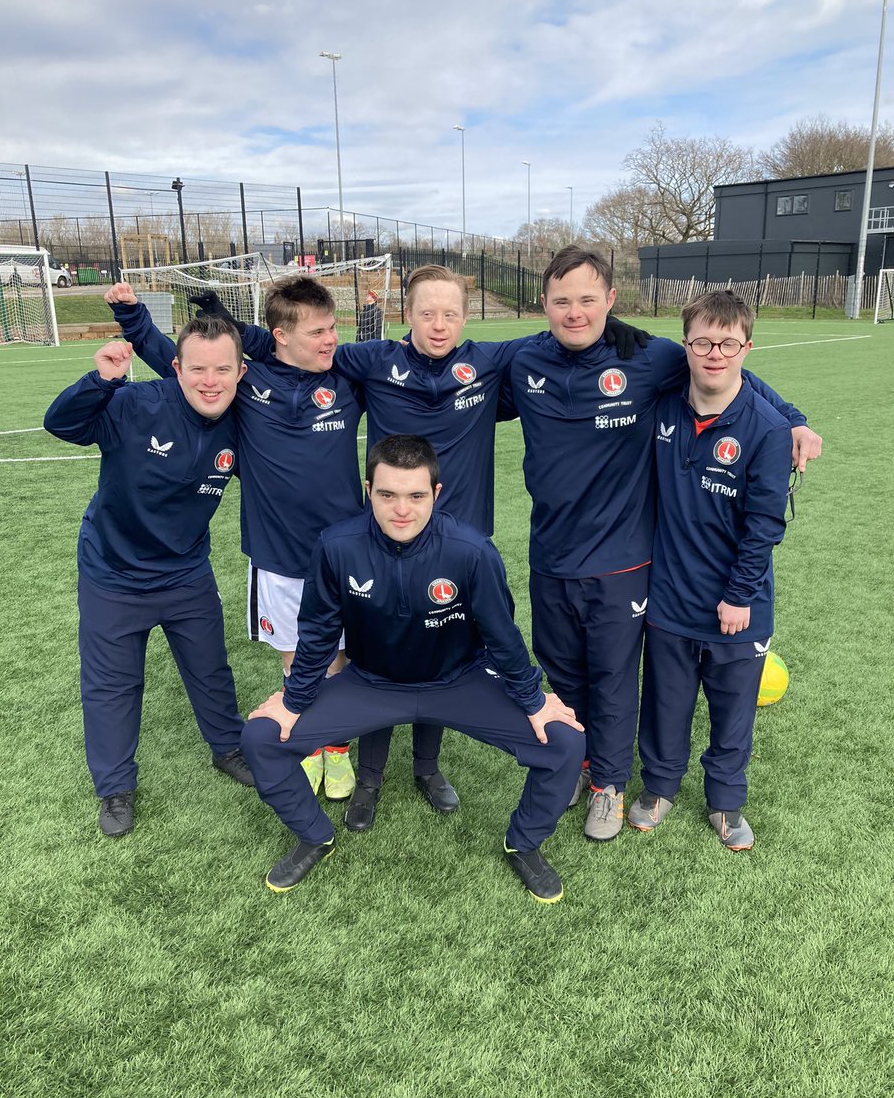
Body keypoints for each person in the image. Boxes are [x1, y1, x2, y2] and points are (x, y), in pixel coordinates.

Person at [233, 264, 647, 831]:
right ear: (407, 315)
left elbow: (569, 329)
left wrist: (611, 321)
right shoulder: (370, 359)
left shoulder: (492, 360)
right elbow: (295, 341)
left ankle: (427, 768)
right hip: (386, 536)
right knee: (379, 657)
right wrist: (245, 330)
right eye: (426, 313)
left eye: (450, 313)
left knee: (444, 656)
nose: (439, 324)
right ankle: (371, 779)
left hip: (461, 549)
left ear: (465, 316)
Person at [503, 246, 822, 842]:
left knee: (618, 681)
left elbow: (730, 370)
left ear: (610, 301)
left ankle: (613, 786)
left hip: (624, 561)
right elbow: (447, 374)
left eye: (588, 299)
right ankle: (582, 762)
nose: (576, 312)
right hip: (551, 555)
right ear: (543, 303)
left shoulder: (651, 358)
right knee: (565, 672)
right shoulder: (521, 359)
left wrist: (793, 418)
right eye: (563, 300)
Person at [242, 435, 586, 903]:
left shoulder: (471, 551)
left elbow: (501, 635)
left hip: (458, 681)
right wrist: (293, 700)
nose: (401, 509)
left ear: (436, 495)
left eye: (415, 495)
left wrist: (533, 700)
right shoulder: (336, 546)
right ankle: (314, 835)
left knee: (565, 741)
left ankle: (524, 844)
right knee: (261, 735)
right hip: (371, 683)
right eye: (387, 495)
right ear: (369, 491)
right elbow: (318, 632)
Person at [105, 278, 365, 803]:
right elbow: (182, 364)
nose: (330, 339)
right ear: (279, 338)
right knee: (295, 655)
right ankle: (309, 746)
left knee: (339, 654)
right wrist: (133, 319)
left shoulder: (349, 377)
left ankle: (337, 748)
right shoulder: (248, 382)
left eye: (332, 328)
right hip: (278, 555)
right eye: (318, 331)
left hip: (345, 551)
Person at [43, 322, 252, 837]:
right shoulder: (134, 405)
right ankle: (115, 788)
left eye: (222, 369)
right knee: (112, 686)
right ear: (176, 369)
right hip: (112, 573)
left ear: (240, 372)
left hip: (185, 572)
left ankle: (228, 748)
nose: (210, 381)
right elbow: (60, 424)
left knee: (209, 669)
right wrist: (101, 381)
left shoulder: (243, 421)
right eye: (197, 369)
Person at [628, 291, 792, 849]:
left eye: (727, 343)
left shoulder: (768, 429)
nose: (714, 354)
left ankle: (725, 802)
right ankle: (658, 788)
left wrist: (740, 596)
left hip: (736, 607)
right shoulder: (664, 406)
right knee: (664, 704)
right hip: (670, 597)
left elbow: (765, 525)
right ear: (687, 346)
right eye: (702, 342)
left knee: (732, 711)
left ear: (747, 347)